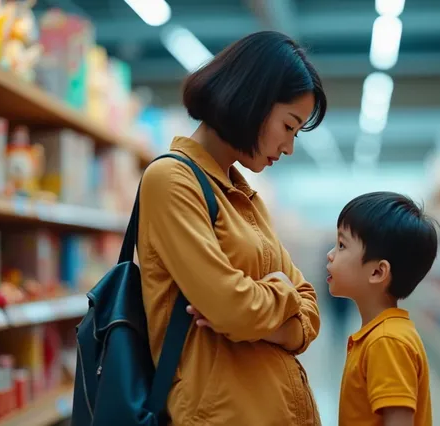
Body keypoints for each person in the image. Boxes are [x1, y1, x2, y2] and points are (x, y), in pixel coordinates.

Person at [137, 31, 326, 426]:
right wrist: (281, 294)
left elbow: (310, 315)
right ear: (252, 102)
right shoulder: (172, 180)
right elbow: (230, 308)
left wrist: (269, 316)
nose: (289, 147)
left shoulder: (244, 195)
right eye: (289, 126)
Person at [326, 192, 439, 426]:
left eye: (341, 245)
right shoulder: (381, 335)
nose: (330, 254)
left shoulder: (386, 341)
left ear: (377, 272)